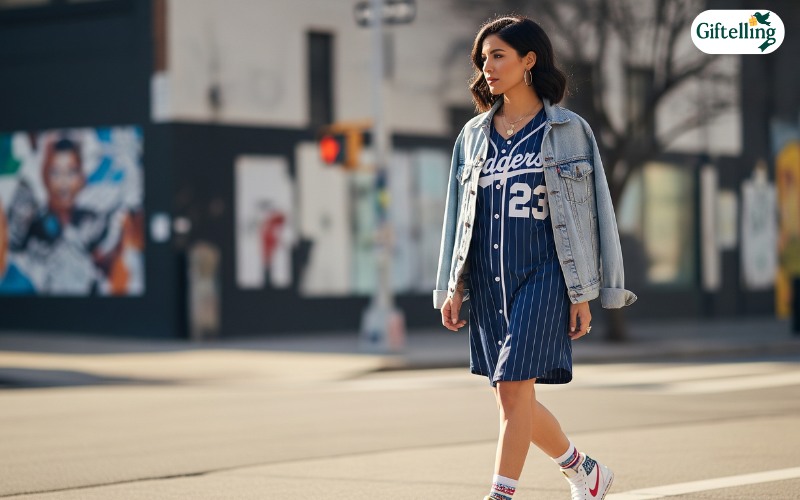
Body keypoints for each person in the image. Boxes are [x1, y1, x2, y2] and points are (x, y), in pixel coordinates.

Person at [433, 16, 637, 500]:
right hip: (488, 279)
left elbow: (596, 216)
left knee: (512, 389)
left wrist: (588, 291)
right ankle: (585, 471)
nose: (488, 67)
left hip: (546, 274)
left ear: (529, 60)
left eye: (498, 55)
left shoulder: (569, 131)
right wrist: (452, 286)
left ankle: (500, 495)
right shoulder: (473, 137)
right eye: (483, 59)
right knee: (513, 394)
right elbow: (459, 219)